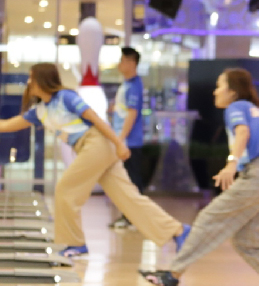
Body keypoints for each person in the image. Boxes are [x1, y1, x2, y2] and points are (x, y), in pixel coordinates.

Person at [144, 69, 259, 286]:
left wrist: (231, 163)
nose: (215, 91)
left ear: (232, 91)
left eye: (219, 86)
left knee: (208, 218)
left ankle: (172, 275)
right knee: (247, 240)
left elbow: (242, 133)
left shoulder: (236, 107)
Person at [0, 63, 190, 257]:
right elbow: (6, 125)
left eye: (32, 78)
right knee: (128, 199)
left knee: (65, 190)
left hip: (96, 144)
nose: (28, 82)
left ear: (42, 80)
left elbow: (96, 119)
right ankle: (178, 230)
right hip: (90, 148)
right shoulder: (39, 111)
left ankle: (75, 243)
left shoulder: (66, 97)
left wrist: (118, 143)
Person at [113, 47, 147, 192]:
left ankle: (136, 207)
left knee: (132, 180)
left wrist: (121, 138)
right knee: (126, 180)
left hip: (130, 141)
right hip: (125, 140)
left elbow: (132, 113)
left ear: (132, 63)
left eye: (123, 61)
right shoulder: (126, 84)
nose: (119, 64)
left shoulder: (134, 86)